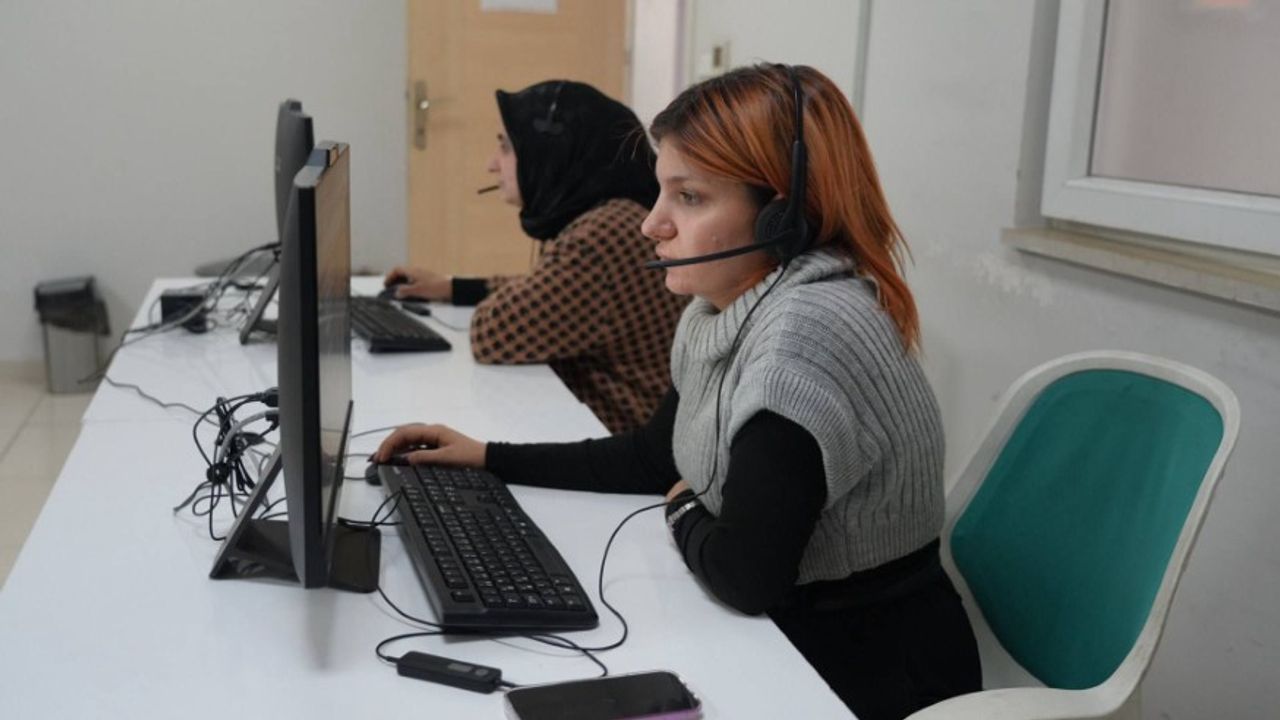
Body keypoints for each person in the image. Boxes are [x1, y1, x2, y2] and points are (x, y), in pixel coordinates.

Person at [374, 64, 980, 720]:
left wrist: (683, 507)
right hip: (794, 634)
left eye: (689, 198)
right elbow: (653, 457)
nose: (651, 224)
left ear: (780, 215)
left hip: (862, 672)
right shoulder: (720, 308)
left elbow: (745, 577)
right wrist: (488, 457)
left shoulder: (803, 337)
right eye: (662, 192)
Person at [385, 80, 687, 433]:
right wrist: (453, 288)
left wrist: (470, 296)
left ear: (554, 151)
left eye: (506, 147)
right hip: (606, 429)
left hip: (618, 437)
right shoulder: (616, 212)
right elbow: (550, 287)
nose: (492, 164)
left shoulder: (599, 236)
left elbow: (492, 334)